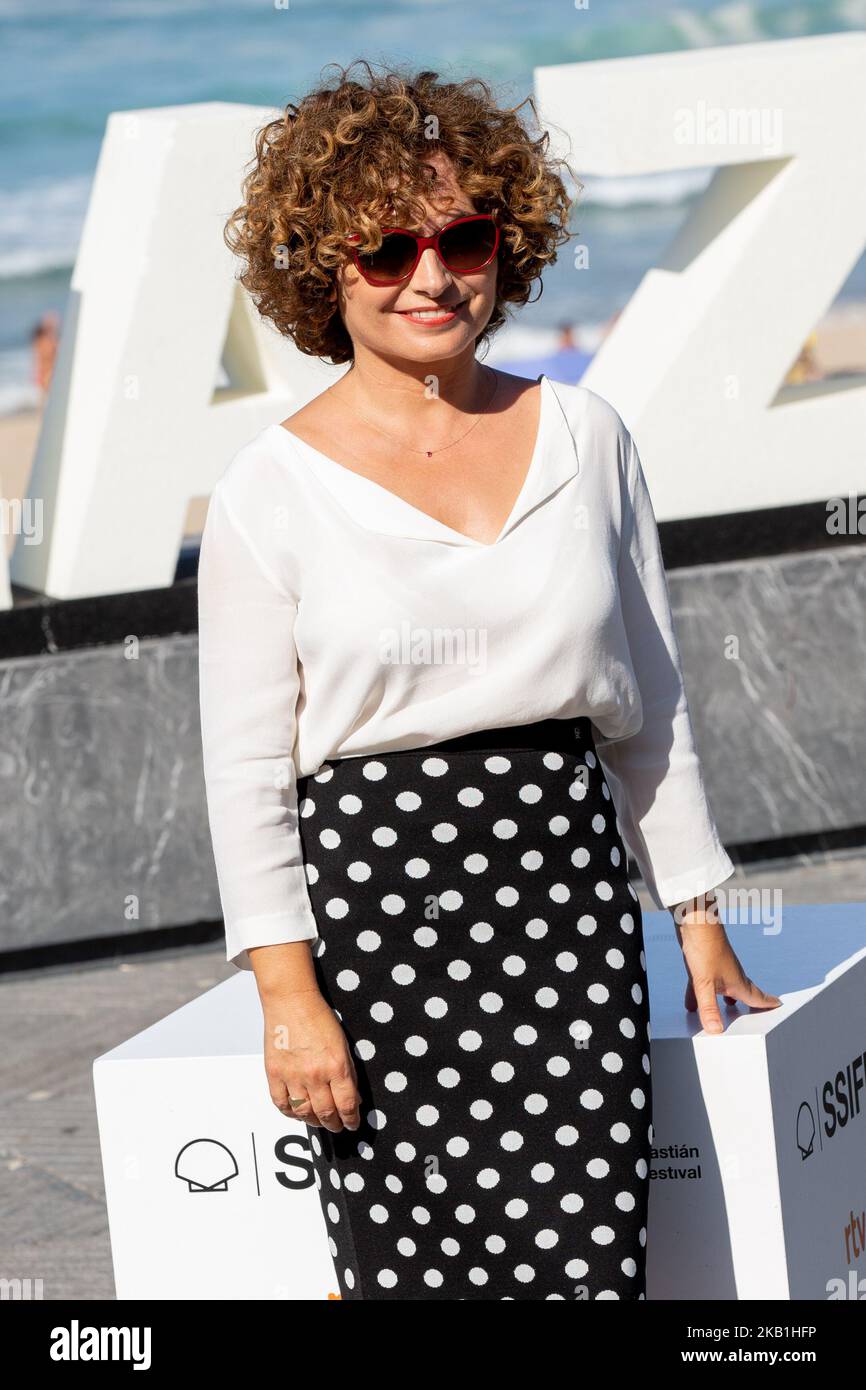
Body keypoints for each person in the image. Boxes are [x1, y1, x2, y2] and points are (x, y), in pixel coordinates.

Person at [197, 60, 780, 1302]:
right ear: (321, 268)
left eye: (462, 235)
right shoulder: (270, 489)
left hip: (562, 904)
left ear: (503, 245)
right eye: (384, 249)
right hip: (375, 923)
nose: (430, 274)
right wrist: (287, 999)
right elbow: (246, 772)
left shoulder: (587, 438)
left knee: (587, 1264)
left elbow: (648, 700)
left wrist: (694, 910)